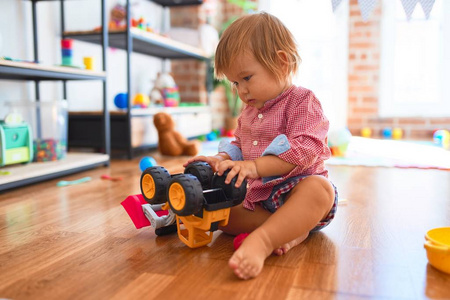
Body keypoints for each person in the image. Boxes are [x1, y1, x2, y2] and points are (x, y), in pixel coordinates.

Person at [183, 12, 338, 280]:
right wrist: (220, 159)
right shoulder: (248, 112)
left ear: (281, 63)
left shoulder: (302, 101)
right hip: (260, 199)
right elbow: (239, 145)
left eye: (246, 78)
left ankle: (264, 240)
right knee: (220, 214)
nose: (241, 90)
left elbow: (305, 149)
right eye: (234, 83)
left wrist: (256, 167)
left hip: (297, 191)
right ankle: (290, 230)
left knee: (320, 190)